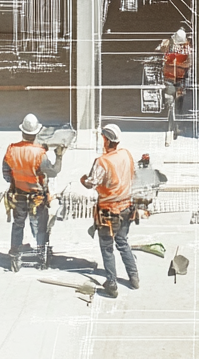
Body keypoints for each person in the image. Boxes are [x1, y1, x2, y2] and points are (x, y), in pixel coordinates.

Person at [2, 113, 65, 271]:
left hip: (18, 196)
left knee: (18, 226)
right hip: (37, 198)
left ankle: (15, 259)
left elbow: (6, 174)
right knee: (39, 227)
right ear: (35, 133)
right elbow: (53, 172)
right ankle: (41, 258)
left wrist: (18, 180)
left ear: (23, 132)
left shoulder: (11, 150)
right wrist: (59, 157)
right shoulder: (39, 154)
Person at [81, 124, 138, 297]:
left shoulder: (102, 162)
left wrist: (83, 179)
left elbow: (91, 182)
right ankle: (134, 277)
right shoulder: (126, 154)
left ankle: (112, 283)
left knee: (107, 247)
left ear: (106, 139)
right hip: (126, 208)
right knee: (122, 242)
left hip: (108, 212)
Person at [156, 29, 192, 144]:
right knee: (170, 102)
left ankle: (176, 126)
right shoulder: (168, 44)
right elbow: (159, 51)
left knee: (178, 103)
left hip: (179, 79)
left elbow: (188, 63)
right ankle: (171, 126)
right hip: (170, 79)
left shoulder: (186, 47)